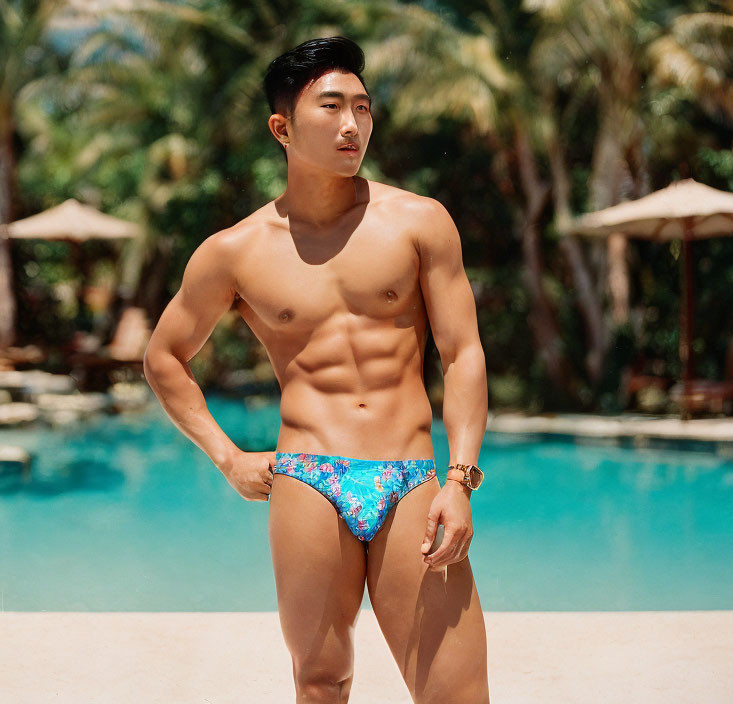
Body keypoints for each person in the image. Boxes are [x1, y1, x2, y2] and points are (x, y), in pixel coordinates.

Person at [143, 35, 489, 704]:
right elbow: (164, 356)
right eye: (331, 107)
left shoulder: (419, 223)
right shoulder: (235, 251)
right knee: (321, 682)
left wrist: (460, 478)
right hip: (309, 479)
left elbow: (464, 351)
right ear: (282, 126)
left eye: (363, 108)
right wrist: (226, 456)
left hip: (414, 478)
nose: (352, 124)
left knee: (457, 694)